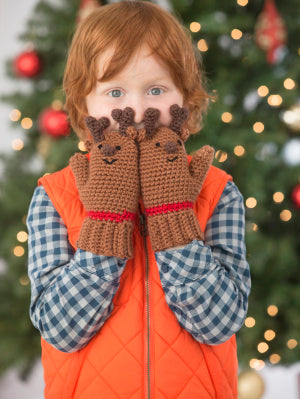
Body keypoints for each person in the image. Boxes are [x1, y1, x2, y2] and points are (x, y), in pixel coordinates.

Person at [27, 1, 251, 398]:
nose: (136, 109)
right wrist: (106, 221)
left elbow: (220, 323)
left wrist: (173, 215)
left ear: (185, 97)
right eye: (115, 91)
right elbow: (60, 331)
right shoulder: (55, 195)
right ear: (84, 104)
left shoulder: (216, 191)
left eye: (156, 89)